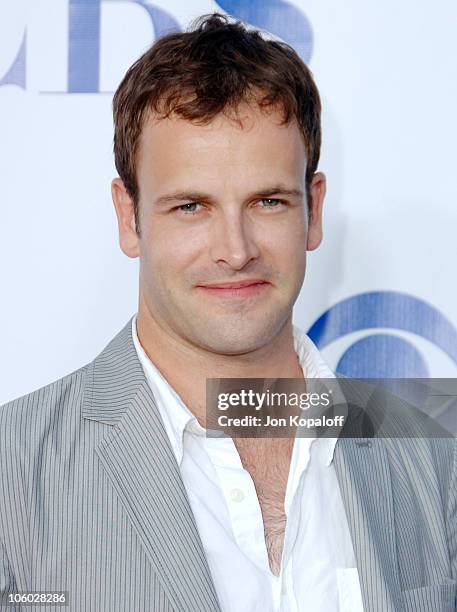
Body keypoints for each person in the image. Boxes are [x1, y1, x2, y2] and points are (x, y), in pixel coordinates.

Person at [0, 12, 456, 612]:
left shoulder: (431, 456)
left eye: (268, 201)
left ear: (312, 211)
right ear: (127, 216)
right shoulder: (14, 474)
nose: (236, 250)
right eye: (191, 206)